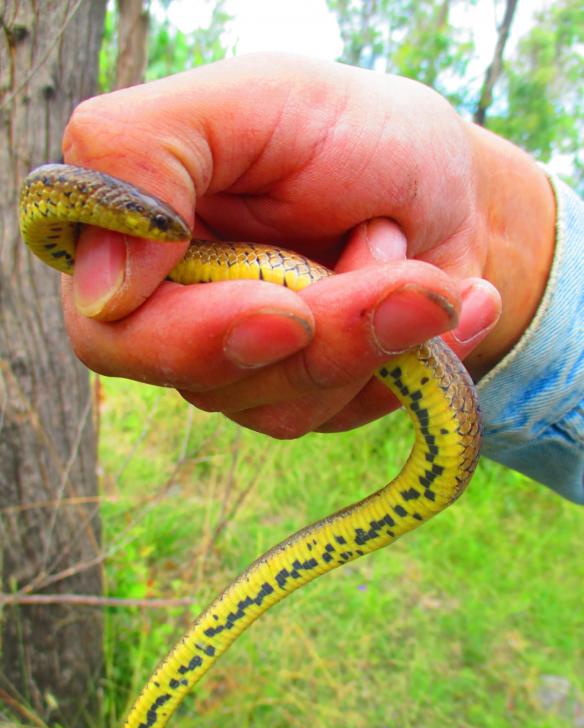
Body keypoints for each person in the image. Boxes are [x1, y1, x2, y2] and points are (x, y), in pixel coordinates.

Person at [59, 53, 583, 503]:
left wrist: (487, 224)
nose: (162, 236)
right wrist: (488, 223)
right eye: (154, 225)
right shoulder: (65, 194)